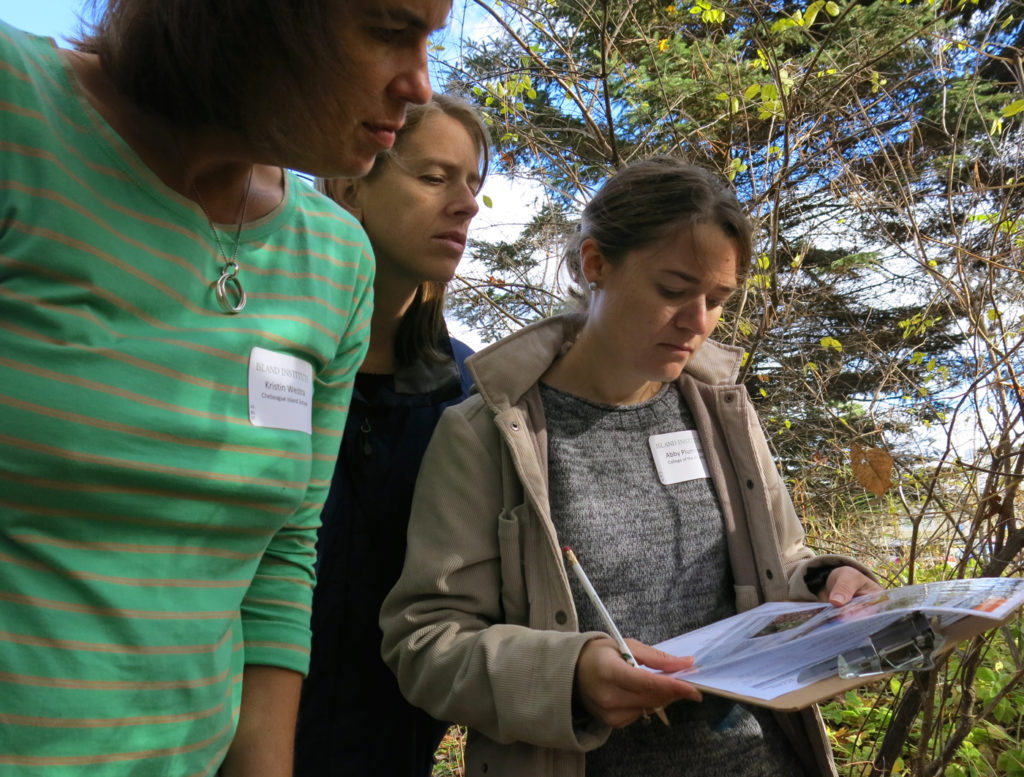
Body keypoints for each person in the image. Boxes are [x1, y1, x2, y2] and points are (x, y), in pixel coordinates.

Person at [0, 1, 450, 775]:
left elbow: (278, 558)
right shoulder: (19, 111)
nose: (419, 83)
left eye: (428, 39)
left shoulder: (336, 258)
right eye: (386, 31)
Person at [380, 158, 882, 777]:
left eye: (717, 300)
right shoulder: (488, 432)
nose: (698, 323)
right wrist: (568, 678)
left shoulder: (722, 410)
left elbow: (784, 563)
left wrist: (830, 585)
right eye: (673, 290)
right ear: (596, 264)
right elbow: (426, 642)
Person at [293, 94, 489, 777]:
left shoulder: (473, 394)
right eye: (436, 177)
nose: (465, 204)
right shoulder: (268, 352)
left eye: (473, 184)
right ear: (350, 185)